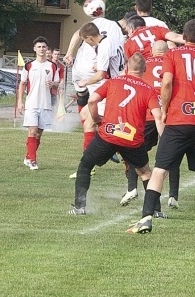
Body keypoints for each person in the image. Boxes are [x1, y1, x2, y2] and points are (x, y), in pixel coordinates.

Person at [128, 19, 195, 237]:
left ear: (183, 37)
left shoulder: (172, 55)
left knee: (159, 170)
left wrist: (164, 111)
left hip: (178, 121)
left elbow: (166, 83)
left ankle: (146, 218)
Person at [69, 52, 163, 215]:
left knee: (85, 165)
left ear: (126, 67)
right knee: (145, 172)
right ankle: (155, 210)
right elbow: (158, 115)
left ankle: (80, 206)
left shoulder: (113, 82)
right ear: (145, 69)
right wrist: (164, 138)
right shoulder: (149, 90)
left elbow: (92, 100)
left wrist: (97, 118)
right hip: (132, 138)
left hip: (109, 134)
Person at [120, 40, 182, 209]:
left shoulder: (145, 65)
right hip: (168, 116)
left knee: (136, 153)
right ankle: (173, 196)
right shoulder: (173, 62)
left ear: (153, 51)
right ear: (167, 51)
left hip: (147, 115)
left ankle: (132, 188)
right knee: (172, 156)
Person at [75, 22, 126, 152]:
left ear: (89, 38)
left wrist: (85, 82)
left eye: (85, 41)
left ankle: (88, 165)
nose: (86, 43)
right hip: (114, 85)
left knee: (89, 123)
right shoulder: (112, 40)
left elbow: (100, 75)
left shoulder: (103, 47)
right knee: (84, 114)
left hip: (110, 89)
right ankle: (109, 142)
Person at [17, 36, 60, 170]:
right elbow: (22, 84)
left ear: (47, 49)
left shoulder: (52, 66)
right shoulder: (29, 65)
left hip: (45, 104)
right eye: (39, 47)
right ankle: (33, 161)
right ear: (34, 49)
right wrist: (20, 101)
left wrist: (54, 84)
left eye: (44, 47)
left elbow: (57, 85)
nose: (41, 49)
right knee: (32, 130)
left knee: (38, 134)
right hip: (31, 104)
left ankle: (28, 156)